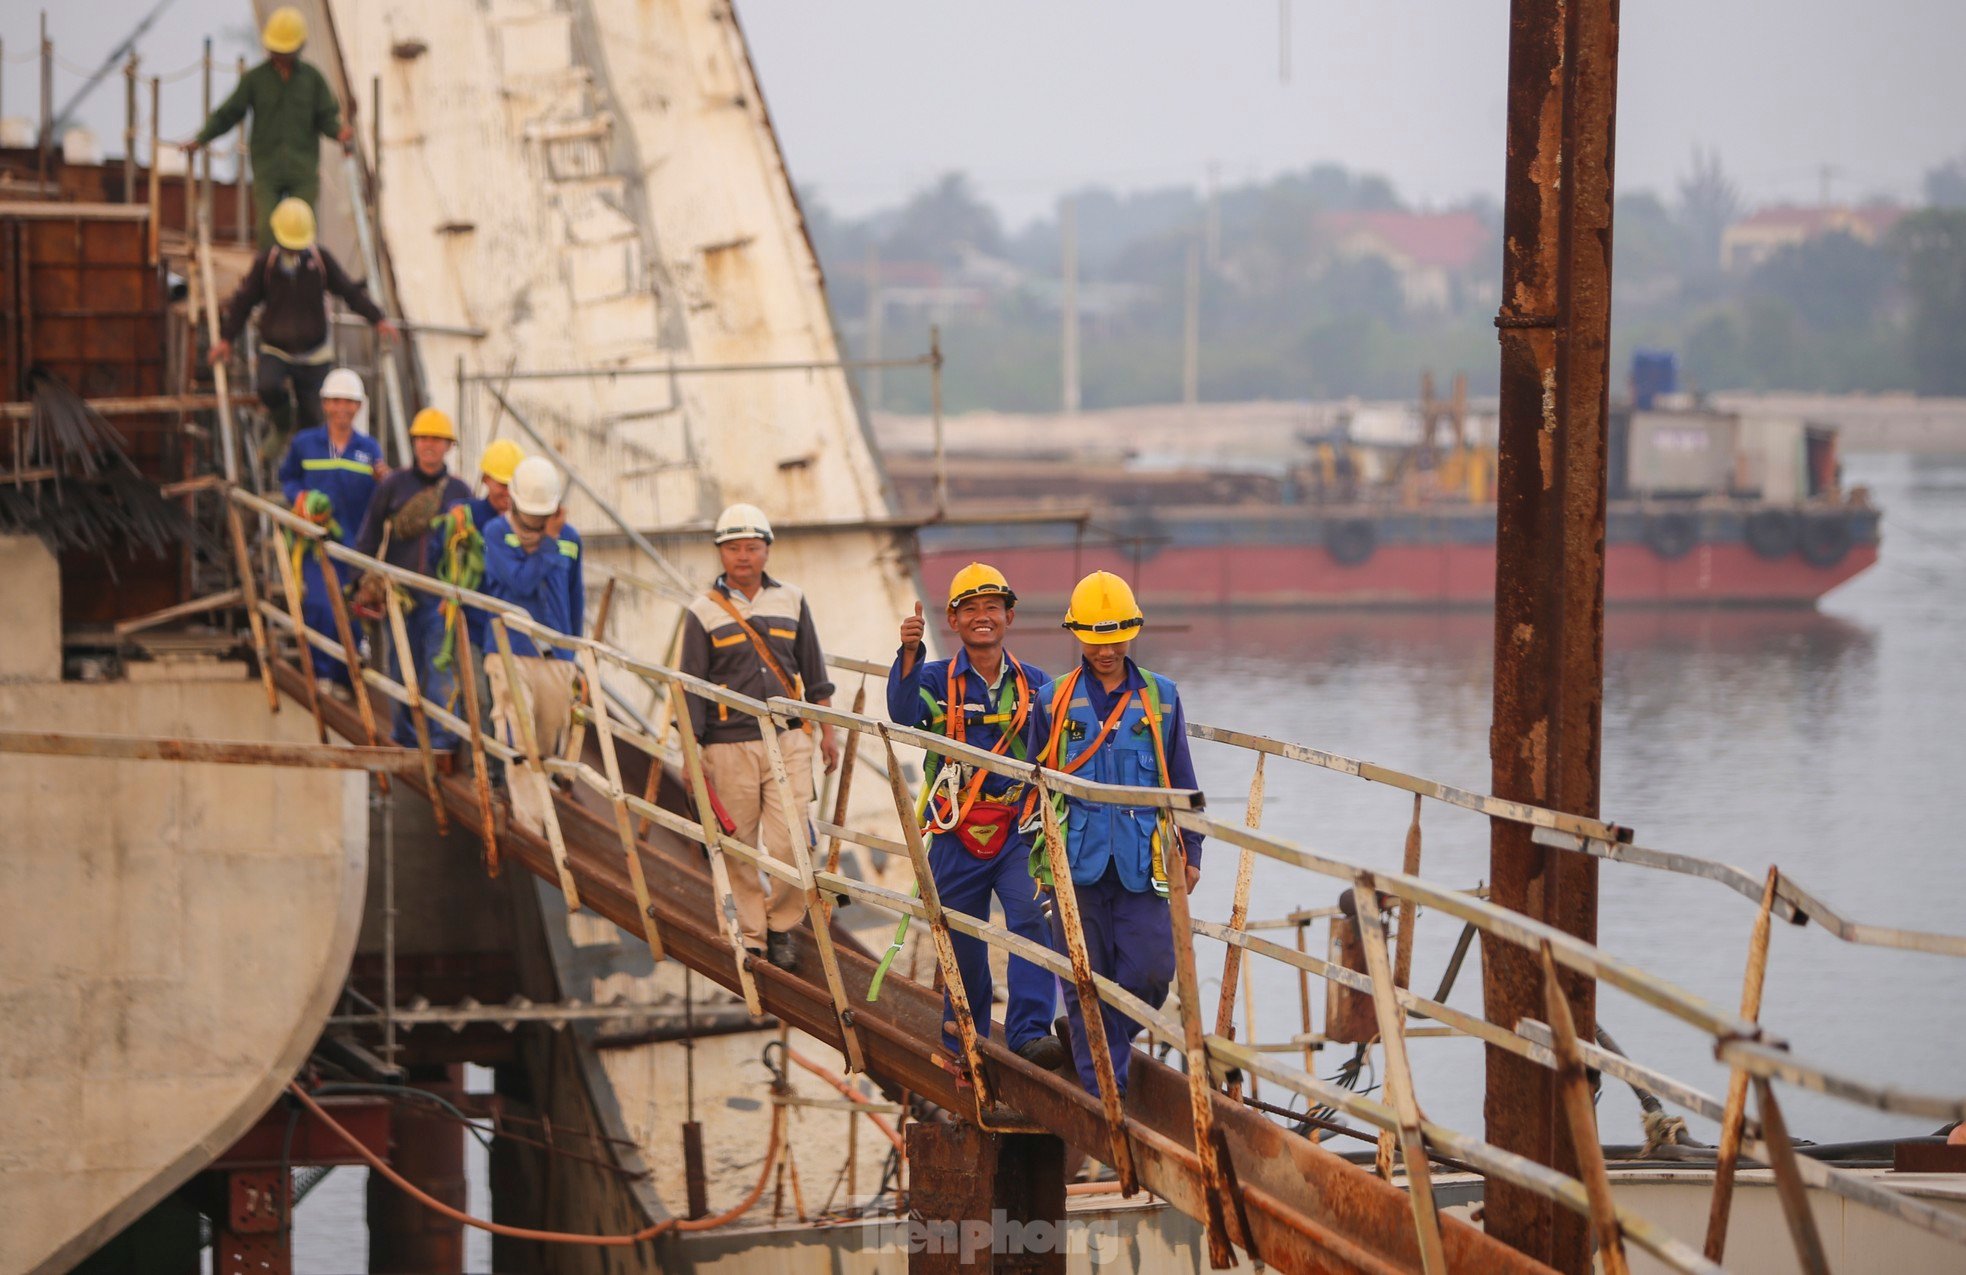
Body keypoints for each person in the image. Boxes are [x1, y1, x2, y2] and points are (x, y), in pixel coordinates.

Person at [1027, 570, 1205, 1099]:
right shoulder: (1052, 701)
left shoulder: (1162, 698)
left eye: (1117, 639)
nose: (1107, 650)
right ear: (1077, 635)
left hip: (1142, 864)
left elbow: (1183, 782)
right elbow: (1036, 787)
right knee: (1083, 979)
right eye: (1096, 639)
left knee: (1152, 973)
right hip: (1074, 862)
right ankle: (1107, 1092)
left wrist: (1192, 851)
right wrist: (1031, 858)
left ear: (1134, 632)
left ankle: (1102, 1044)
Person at [888, 563, 1065, 1071]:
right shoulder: (930, 679)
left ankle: (1030, 1033)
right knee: (960, 936)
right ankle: (964, 1033)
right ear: (954, 619)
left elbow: (1058, 751)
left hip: (1017, 830)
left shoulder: (1037, 686)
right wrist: (908, 651)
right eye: (970, 609)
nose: (982, 617)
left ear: (1009, 616)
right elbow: (901, 714)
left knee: (1030, 918)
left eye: (992, 608)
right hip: (953, 831)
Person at [678, 504, 841, 971]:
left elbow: (815, 675)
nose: (743, 556)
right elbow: (688, 689)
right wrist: (692, 757)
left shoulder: (791, 599)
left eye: (752, 547)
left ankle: (782, 925)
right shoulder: (703, 611)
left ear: (767, 550)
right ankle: (749, 934)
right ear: (721, 553)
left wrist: (828, 733)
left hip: (788, 738)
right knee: (737, 844)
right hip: (728, 745)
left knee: (794, 841)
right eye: (733, 547)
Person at [211, 197, 396, 459]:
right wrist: (226, 338)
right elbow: (244, 301)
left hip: (314, 353)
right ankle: (282, 425)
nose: (293, 251)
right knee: (268, 386)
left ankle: (310, 468)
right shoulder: (267, 263)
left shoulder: (320, 261)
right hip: (276, 348)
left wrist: (377, 318)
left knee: (314, 416)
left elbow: (348, 290)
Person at [182, 6, 353, 251]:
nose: (281, 56)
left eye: (286, 51)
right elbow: (228, 113)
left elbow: (327, 118)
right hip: (267, 166)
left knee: (303, 228)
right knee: (267, 229)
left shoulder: (312, 79)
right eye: (277, 50)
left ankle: (303, 279)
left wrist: (340, 132)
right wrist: (201, 139)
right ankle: (270, 279)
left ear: (299, 48)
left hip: (302, 167)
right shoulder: (255, 79)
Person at [354, 408, 472, 751]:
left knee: (439, 667)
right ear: (414, 442)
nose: (429, 445)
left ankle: (442, 740)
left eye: (436, 439)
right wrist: (358, 579)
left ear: (448, 446)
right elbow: (370, 533)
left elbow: (474, 549)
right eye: (423, 438)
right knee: (400, 665)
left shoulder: (461, 493)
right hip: (400, 593)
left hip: (441, 598)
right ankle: (404, 736)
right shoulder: (393, 486)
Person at [482, 456, 584, 833]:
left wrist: (572, 652)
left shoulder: (570, 539)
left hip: (556, 654)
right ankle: (531, 825)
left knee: (546, 737)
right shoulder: (497, 534)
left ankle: (542, 808)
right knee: (518, 738)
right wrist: (549, 544)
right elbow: (519, 583)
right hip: (509, 649)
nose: (539, 523)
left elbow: (575, 599)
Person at [277, 367, 385, 696]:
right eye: (335, 401)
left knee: (351, 611)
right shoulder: (305, 444)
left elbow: (380, 498)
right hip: (315, 543)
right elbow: (288, 478)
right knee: (323, 605)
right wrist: (301, 497)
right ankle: (322, 674)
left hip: (355, 545)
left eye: (349, 402)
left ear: (358, 407)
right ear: (325, 404)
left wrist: (385, 481)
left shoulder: (369, 449)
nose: (342, 408)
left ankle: (344, 678)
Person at [469, 439, 525, 533]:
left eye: (515, 486)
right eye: (504, 485)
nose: (509, 492)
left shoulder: (532, 524)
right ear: (485, 479)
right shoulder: (468, 516)